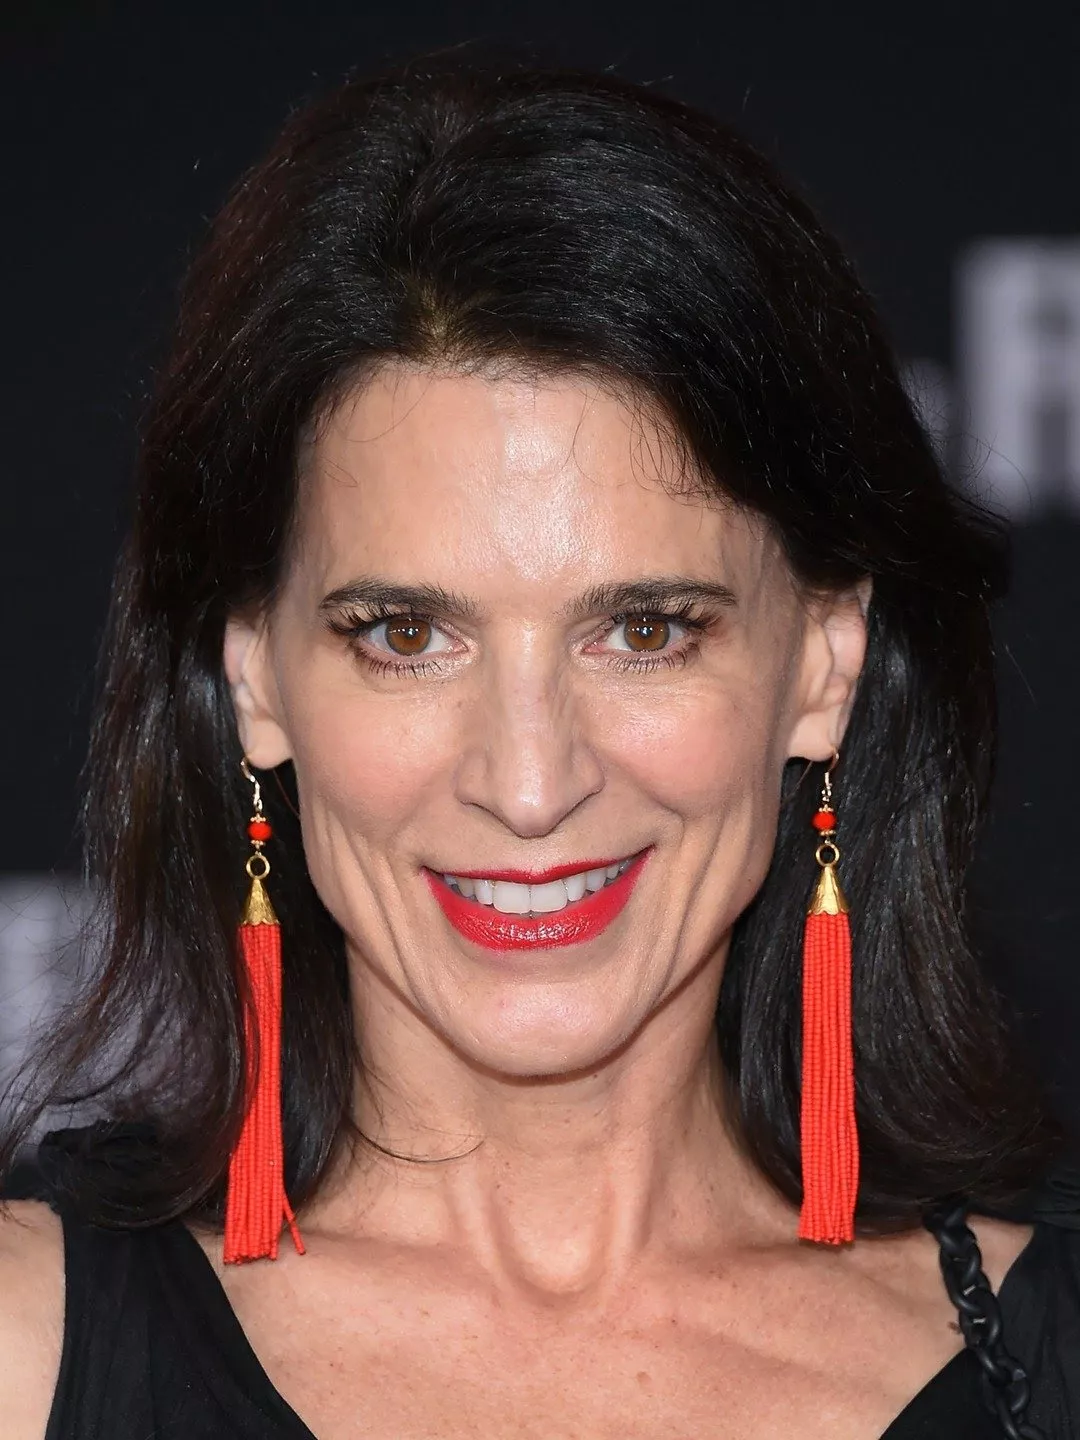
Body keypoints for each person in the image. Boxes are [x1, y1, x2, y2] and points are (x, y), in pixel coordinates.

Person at [1, 55, 1077, 1440]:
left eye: (643, 631)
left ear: (823, 665)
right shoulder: (25, 1353)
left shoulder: (1048, 1358)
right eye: (405, 635)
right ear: (253, 673)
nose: (527, 784)